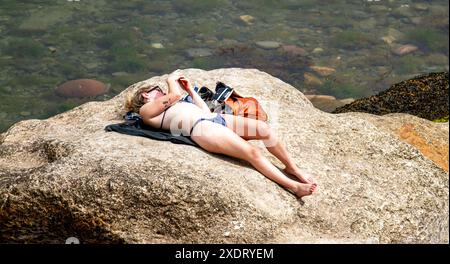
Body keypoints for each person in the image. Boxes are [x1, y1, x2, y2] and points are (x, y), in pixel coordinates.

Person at [125, 70, 317, 198]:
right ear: (145, 96)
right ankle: (293, 187)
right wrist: (170, 81)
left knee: (264, 130)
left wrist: (190, 90)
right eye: (156, 90)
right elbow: (173, 95)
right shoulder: (147, 111)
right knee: (252, 153)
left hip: (211, 119)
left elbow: (206, 111)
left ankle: (292, 168)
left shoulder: (176, 102)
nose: (162, 91)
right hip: (202, 129)